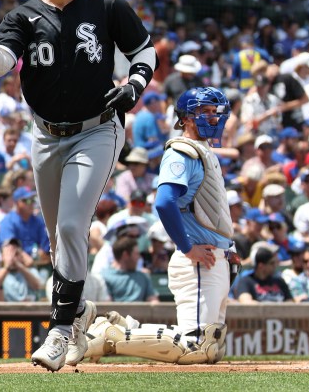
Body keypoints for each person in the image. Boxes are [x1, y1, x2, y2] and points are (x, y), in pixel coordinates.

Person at [0, 0, 158, 372]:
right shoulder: (23, 15)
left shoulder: (107, 7)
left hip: (97, 129)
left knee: (73, 228)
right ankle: (79, 314)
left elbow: (146, 52)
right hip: (44, 134)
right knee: (58, 242)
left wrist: (134, 85)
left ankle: (59, 331)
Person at [83, 87, 234, 365]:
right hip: (199, 261)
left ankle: (124, 329)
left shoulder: (204, 151)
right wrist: (187, 247)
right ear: (185, 118)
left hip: (215, 259)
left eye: (215, 113)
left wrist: (229, 248)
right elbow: (164, 203)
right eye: (205, 112)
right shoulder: (182, 152)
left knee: (211, 348)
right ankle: (110, 335)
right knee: (196, 346)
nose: (212, 118)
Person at [101, 236, 159, 302]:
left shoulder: (143, 277)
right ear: (125, 255)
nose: (139, 258)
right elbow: (106, 305)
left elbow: (153, 301)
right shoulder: (104, 277)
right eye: (136, 254)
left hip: (140, 312)